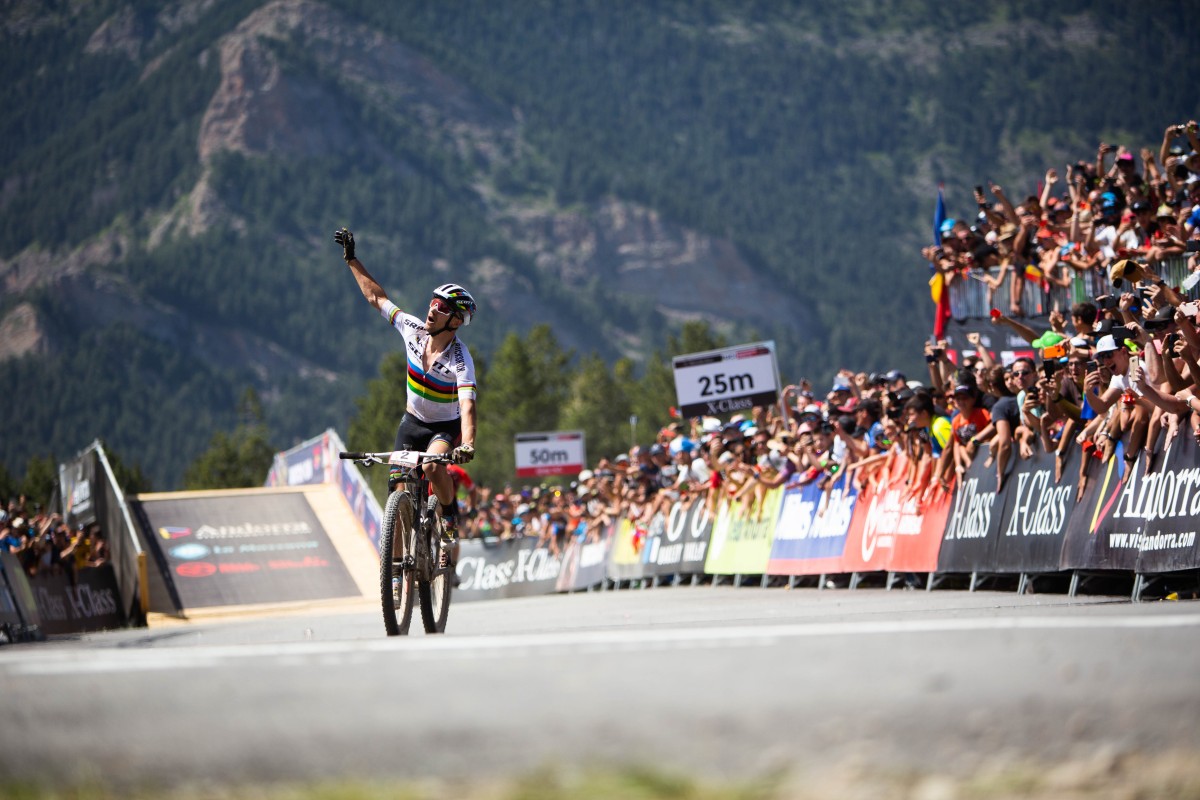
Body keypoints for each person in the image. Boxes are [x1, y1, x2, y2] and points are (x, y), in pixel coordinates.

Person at [334, 227, 478, 542]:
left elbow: (467, 405)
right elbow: (377, 298)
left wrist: (467, 443)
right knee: (396, 497)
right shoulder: (412, 329)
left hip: (444, 428)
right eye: (432, 302)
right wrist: (352, 260)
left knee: (430, 468)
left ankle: (449, 510)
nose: (431, 309)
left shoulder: (460, 358)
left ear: (455, 321)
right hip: (412, 422)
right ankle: (397, 575)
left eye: (441, 308)